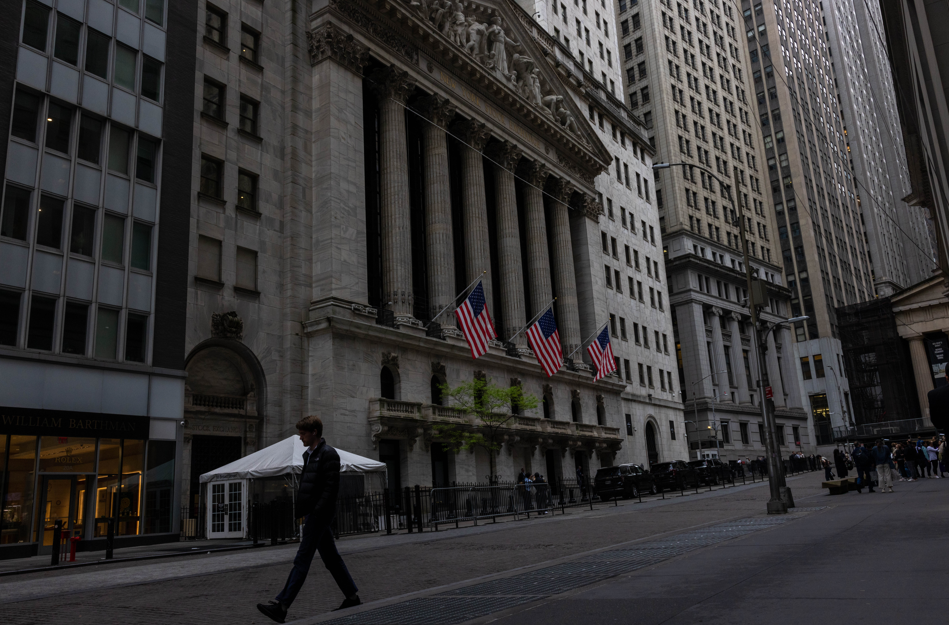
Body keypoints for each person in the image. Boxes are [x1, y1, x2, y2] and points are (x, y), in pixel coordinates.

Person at [257, 416, 360, 623]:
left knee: (302, 558)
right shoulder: (309, 455)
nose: (300, 437)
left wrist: (316, 511)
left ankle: (282, 606)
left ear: (314, 432)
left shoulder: (328, 454)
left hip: (319, 514)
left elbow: (331, 488)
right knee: (331, 558)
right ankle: (352, 597)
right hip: (313, 513)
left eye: (303, 433)